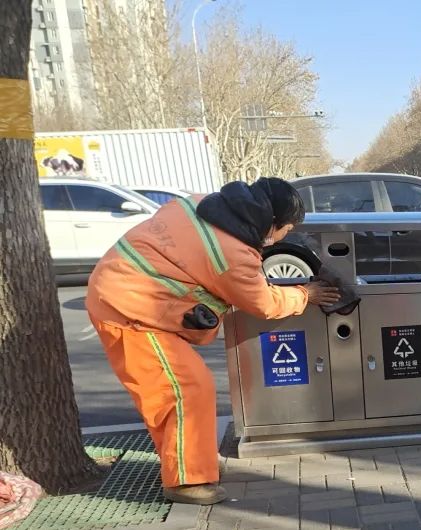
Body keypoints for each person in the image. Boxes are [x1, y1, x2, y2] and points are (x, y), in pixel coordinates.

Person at [86, 178, 340, 505]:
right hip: (128, 309)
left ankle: (190, 461)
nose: (284, 237)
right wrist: (306, 293)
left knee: (174, 392)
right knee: (184, 389)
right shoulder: (233, 254)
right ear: (274, 222)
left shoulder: (201, 204)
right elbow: (264, 303)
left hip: (125, 290)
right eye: (286, 230)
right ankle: (186, 483)